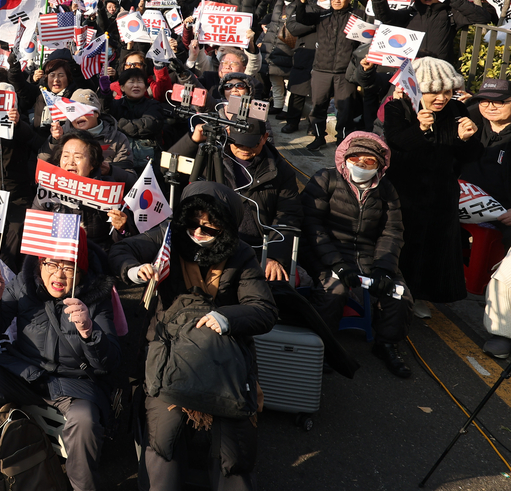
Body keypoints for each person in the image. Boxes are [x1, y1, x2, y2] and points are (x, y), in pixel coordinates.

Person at [110, 182, 278, 489]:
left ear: (225, 229)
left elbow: (264, 308)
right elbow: (123, 250)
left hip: (223, 353)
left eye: (210, 228)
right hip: (168, 349)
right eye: (192, 224)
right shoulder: (168, 237)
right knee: (164, 432)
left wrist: (226, 316)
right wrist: (135, 271)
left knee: (233, 440)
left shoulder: (241, 254)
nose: (198, 233)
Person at [0, 239, 121, 491]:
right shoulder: (23, 284)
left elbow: (110, 361)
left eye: (69, 267)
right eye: (51, 263)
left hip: (74, 384)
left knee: (84, 420)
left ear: (81, 272)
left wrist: (88, 330)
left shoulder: (96, 298)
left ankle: (82, 485)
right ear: (40, 264)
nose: (58, 274)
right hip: (26, 372)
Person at [300, 132, 413, 378]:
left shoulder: (386, 190)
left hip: (369, 253)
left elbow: (392, 231)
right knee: (333, 292)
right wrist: (337, 265)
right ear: (344, 158)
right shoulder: (325, 179)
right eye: (356, 158)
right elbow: (312, 227)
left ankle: (386, 344)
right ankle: (321, 346)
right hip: (327, 252)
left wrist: (384, 267)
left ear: (380, 166)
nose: (361, 165)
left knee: (399, 295)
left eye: (369, 161)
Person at [383, 57, 481, 318]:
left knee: (436, 246)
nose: (441, 97)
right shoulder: (398, 108)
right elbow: (396, 144)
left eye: (447, 91)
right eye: (433, 91)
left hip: (442, 192)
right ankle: (394, 292)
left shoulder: (457, 111)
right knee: (403, 244)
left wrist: (467, 139)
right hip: (404, 190)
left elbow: (470, 156)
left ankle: (421, 295)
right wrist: (420, 128)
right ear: (416, 88)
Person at [170, 119, 303, 279]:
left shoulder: (280, 169)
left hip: (258, 246)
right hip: (211, 239)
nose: (245, 149)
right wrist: (192, 141)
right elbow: (166, 167)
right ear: (227, 134)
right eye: (239, 144)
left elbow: (288, 215)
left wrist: (274, 255)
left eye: (252, 144)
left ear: (264, 137)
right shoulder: (211, 156)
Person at [293, 0, 371, 150]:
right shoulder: (323, 15)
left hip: (345, 72)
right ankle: (319, 136)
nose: (336, 0)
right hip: (321, 69)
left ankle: (342, 139)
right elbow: (302, 18)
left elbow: (372, 15)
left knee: (345, 110)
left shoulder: (358, 15)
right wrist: (301, 0)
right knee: (318, 107)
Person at [462, 79, 511, 250]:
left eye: (500, 102)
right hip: (463, 207)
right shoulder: (467, 126)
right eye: (485, 101)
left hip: (505, 214)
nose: (491, 107)